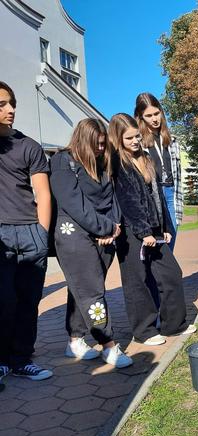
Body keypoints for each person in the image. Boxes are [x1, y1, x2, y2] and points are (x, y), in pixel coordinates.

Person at [50, 118, 132, 368]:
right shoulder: (62, 162)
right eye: (95, 144)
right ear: (82, 140)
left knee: (82, 289)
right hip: (73, 233)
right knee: (92, 291)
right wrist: (105, 227)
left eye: (102, 144)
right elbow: (73, 203)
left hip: (105, 234)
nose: (99, 149)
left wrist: (114, 227)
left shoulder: (103, 163)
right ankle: (108, 344)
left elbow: (112, 198)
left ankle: (75, 340)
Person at [109, 113, 196, 346]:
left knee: (172, 273)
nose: (136, 141)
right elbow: (128, 201)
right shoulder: (117, 162)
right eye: (129, 138)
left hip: (154, 229)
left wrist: (165, 226)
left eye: (137, 136)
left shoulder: (146, 158)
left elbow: (156, 196)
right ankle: (144, 331)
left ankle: (173, 325)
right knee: (137, 281)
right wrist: (143, 231)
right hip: (131, 232)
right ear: (118, 139)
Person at [0, 81, 53, 381]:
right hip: (0, 236)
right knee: (4, 300)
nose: (11, 110)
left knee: (28, 300)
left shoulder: (29, 146)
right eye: (2, 105)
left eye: (11, 103)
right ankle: (2, 358)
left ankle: (21, 359)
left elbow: (43, 193)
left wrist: (41, 235)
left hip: (29, 232)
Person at [134, 93, 183, 250]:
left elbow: (178, 177)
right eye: (148, 115)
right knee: (157, 244)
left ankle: (168, 275)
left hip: (171, 193)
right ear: (140, 117)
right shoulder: (138, 142)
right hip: (153, 194)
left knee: (171, 239)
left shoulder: (172, 141)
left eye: (156, 113)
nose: (154, 119)